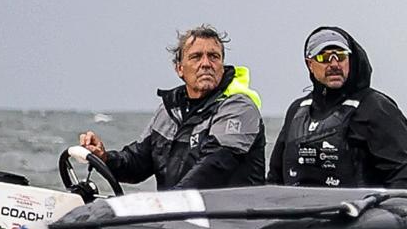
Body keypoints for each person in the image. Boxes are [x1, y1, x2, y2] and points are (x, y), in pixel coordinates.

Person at [75, 25, 265, 192]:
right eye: (196, 57)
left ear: (222, 66)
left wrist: (165, 206)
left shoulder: (239, 108)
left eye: (214, 57)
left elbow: (215, 166)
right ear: (179, 68)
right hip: (180, 219)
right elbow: (137, 163)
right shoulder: (169, 111)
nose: (206, 64)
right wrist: (105, 158)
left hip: (232, 224)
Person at [268, 28, 407, 189]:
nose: (334, 64)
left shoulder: (377, 108)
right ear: (310, 64)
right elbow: (275, 177)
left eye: (341, 56)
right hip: (300, 209)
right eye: (324, 58)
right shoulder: (297, 111)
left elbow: (403, 178)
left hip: (354, 211)